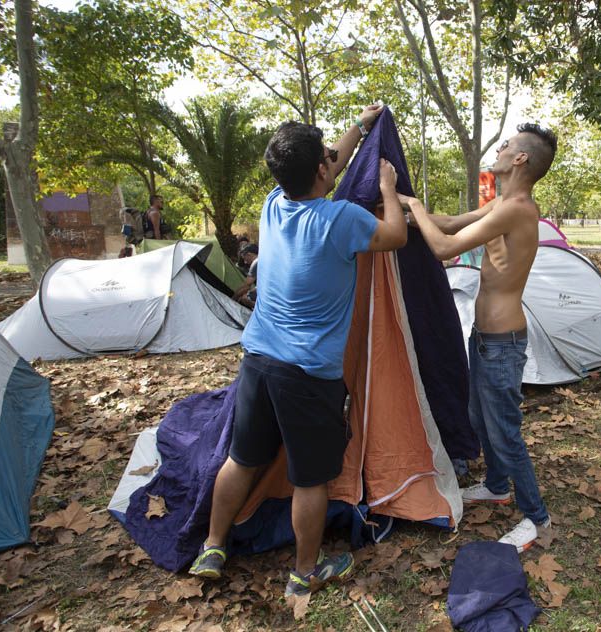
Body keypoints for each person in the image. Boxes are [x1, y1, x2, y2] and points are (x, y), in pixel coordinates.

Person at [189, 105, 408, 598]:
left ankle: (212, 546)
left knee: (241, 460)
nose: (333, 162)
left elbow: (322, 163)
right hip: (308, 373)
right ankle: (305, 571)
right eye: (327, 159)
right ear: (320, 171)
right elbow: (394, 235)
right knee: (311, 479)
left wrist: (362, 124)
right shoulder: (341, 218)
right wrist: (390, 191)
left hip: (258, 361)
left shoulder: (273, 204)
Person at [399, 123, 558, 553]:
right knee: (480, 417)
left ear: (520, 159)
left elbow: (444, 248)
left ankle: (537, 518)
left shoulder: (518, 208)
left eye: (506, 145)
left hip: (503, 342)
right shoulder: (503, 204)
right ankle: (496, 485)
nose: (501, 149)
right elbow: (448, 223)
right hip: (487, 336)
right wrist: (402, 211)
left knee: (505, 431)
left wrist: (412, 202)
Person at [233, 243, 258, 307]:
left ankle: (262, 309)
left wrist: (232, 299)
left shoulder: (255, 262)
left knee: (244, 298)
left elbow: (246, 286)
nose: (245, 262)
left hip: (271, 293)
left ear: (249, 255)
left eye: (245, 258)